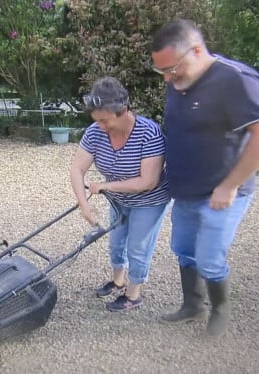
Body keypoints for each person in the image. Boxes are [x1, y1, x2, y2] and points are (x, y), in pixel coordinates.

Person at [150, 19, 259, 336]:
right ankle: (192, 306)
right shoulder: (176, 81)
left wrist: (229, 184)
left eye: (172, 68)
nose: (167, 78)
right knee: (183, 250)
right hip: (185, 191)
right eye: (162, 72)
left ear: (196, 50)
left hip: (222, 193)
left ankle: (219, 311)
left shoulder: (235, 79)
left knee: (209, 259)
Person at [69, 76, 170, 312]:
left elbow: (148, 181)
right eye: (97, 121)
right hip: (119, 200)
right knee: (116, 243)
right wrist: (84, 204)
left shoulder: (149, 133)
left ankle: (133, 295)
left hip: (149, 200)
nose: (102, 127)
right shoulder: (96, 132)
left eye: (106, 121)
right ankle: (118, 280)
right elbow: (77, 168)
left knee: (137, 246)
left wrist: (106, 186)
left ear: (123, 110)